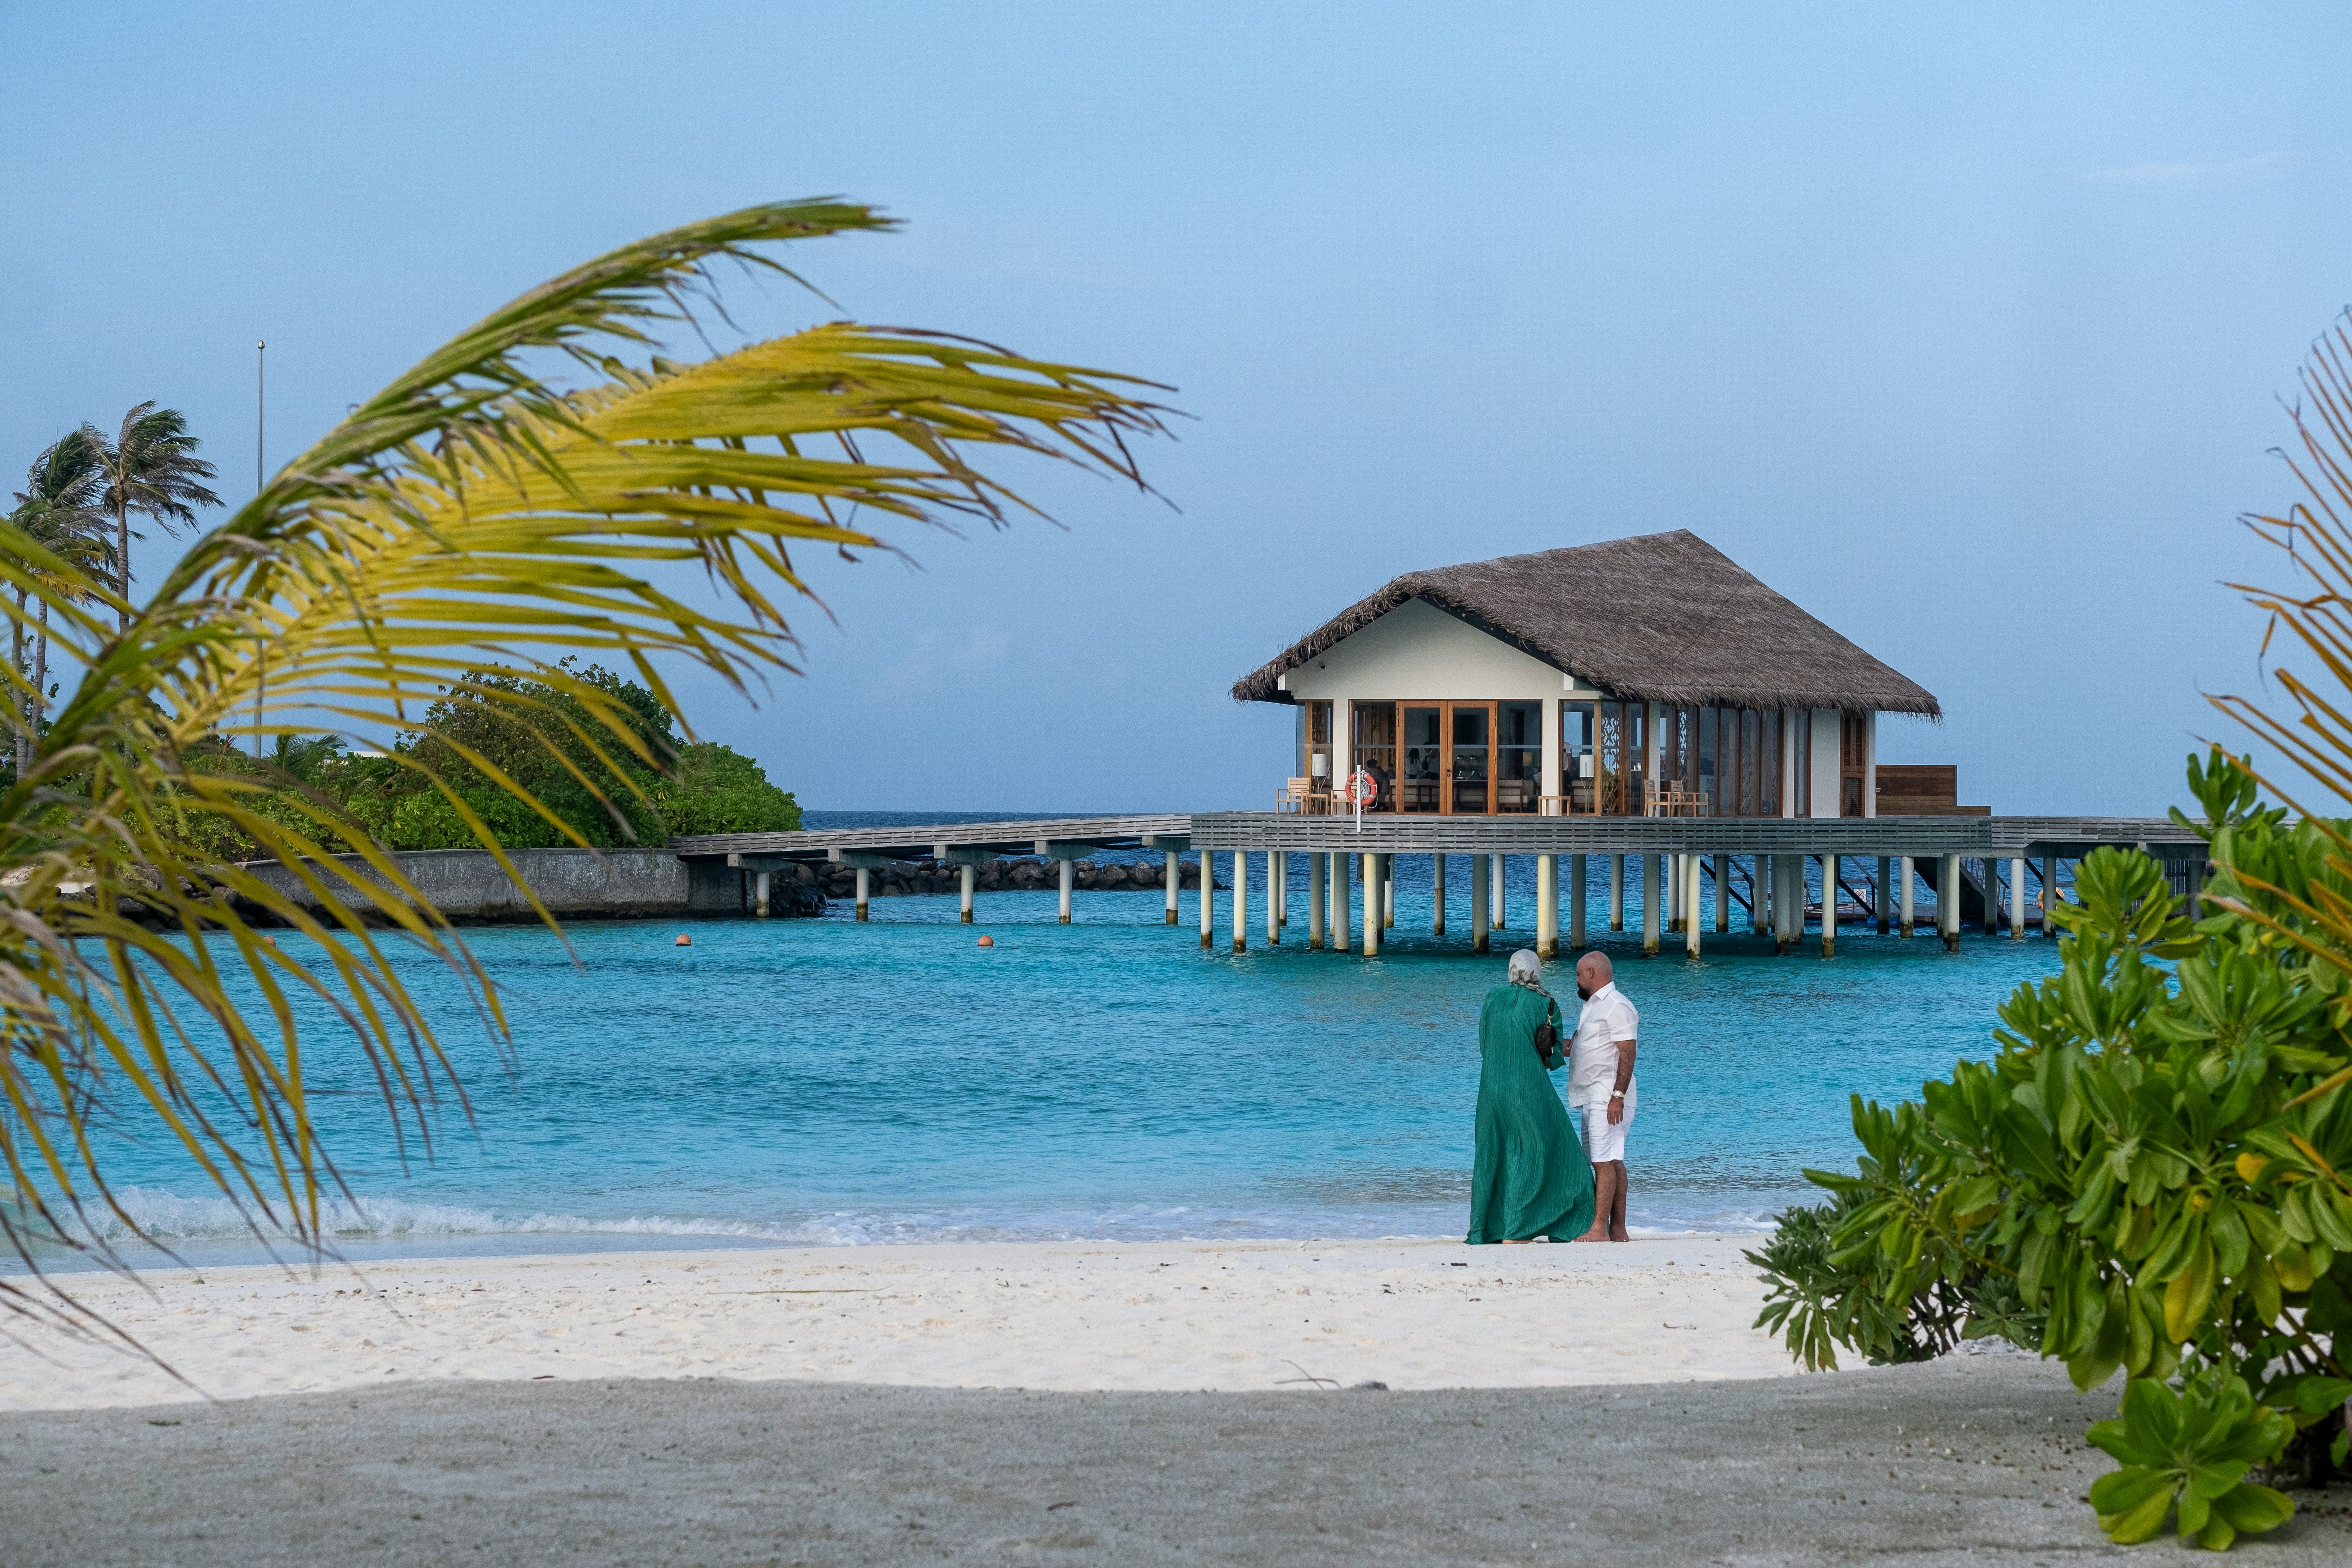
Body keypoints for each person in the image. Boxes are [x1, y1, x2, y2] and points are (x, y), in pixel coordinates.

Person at [1465, 949, 1595, 1245]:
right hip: (1528, 1086)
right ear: (1536, 971)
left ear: (1512, 970)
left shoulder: (1491, 999)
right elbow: (1551, 1059)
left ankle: (1485, 1231)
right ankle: (1520, 1230)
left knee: (1493, 1154)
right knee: (1550, 1150)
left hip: (1490, 1089)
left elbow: (1485, 1046)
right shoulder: (1546, 1003)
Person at [1567, 950, 1638, 1242]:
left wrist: (1617, 1096)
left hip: (1607, 1095)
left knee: (1604, 1162)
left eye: (1578, 975)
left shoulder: (1617, 1006)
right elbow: (1585, 1046)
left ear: (1592, 974)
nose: (1577, 980)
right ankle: (1618, 1229)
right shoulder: (1593, 1006)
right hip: (1592, 1095)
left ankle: (1599, 1229)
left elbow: (1628, 1052)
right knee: (1612, 1160)